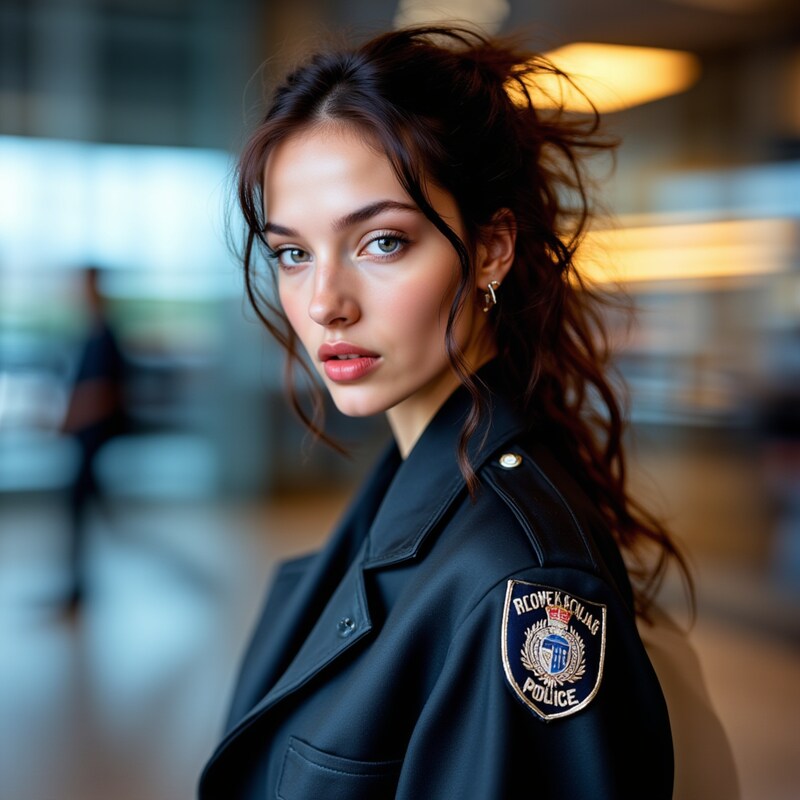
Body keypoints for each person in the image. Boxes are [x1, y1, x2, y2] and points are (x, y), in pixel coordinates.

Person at [199, 25, 732, 799]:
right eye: (293, 253)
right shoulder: (410, 487)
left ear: (490, 249)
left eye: (382, 242)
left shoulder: (520, 582)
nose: (324, 304)